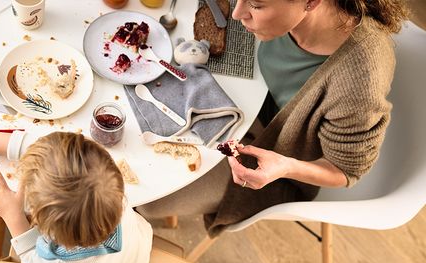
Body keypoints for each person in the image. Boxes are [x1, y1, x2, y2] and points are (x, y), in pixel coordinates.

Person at [137, 0, 409, 235]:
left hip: (280, 155)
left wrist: (285, 166)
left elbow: (346, 170)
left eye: (256, 5)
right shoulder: (289, 13)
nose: (236, 13)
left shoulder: (359, 81)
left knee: (145, 195)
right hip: (253, 99)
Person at [0, 115, 153, 263]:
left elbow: (30, 259)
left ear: (40, 222)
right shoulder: (109, 188)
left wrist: (12, 214)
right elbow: (54, 157)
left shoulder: (53, 262)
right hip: (138, 255)